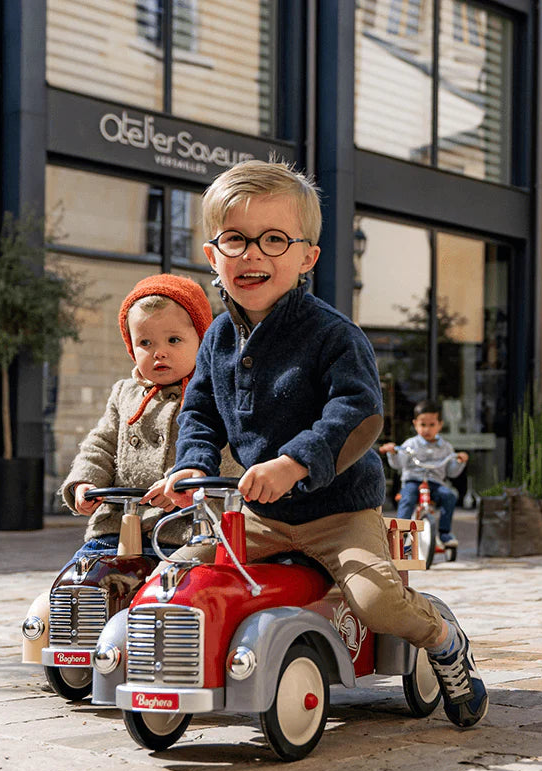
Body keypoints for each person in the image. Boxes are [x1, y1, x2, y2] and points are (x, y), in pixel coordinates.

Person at [152, 159, 488, 728]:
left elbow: (356, 413)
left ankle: (442, 637)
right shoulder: (214, 341)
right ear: (213, 256)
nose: (252, 254)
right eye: (235, 239)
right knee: (175, 576)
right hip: (256, 514)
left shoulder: (335, 335)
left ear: (307, 257)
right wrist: (191, 467)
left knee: (376, 600)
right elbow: (201, 412)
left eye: (274, 240)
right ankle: (182, 673)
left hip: (337, 510)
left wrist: (294, 461)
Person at [58, 274, 215, 560]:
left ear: (202, 338)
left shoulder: (212, 393)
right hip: (115, 528)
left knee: (168, 595)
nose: (160, 353)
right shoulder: (125, 393)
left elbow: (220, 452)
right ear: (130, 346)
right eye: (145, 342)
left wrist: (179, 485)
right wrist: (83, 482)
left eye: (174, 340)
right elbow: (100, 444)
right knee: (79, 585)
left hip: (182, 531)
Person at [378, 399, 468, 547]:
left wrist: (459, 461)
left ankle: (445, 534)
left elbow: (451, 472)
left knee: (449, 496)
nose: (427, 429)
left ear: (440, 425)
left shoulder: (446, 447)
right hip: (413, 481)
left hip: (436, 484)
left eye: (432, 425)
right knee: (407, 498)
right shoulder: (410, 444)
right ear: (415, 424)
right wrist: (393, 452)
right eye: (422, 425)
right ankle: (400, 532)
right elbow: (398, 464)